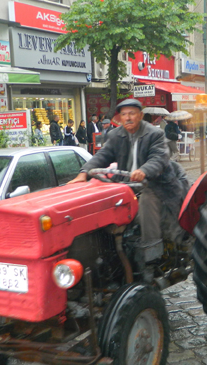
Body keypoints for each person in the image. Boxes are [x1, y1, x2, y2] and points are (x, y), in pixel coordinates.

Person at [69, 99, 188, 256]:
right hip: (127, 186)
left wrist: (144, 170)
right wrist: (84, 172)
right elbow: (103, 155)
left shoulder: (155, 134)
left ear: (140, 115)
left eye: (132, 113)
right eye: (124, 114)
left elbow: (158, 158)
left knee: (147, 201)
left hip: (157, 185)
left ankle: (151, 254)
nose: (127, 118)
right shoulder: (115, 135)